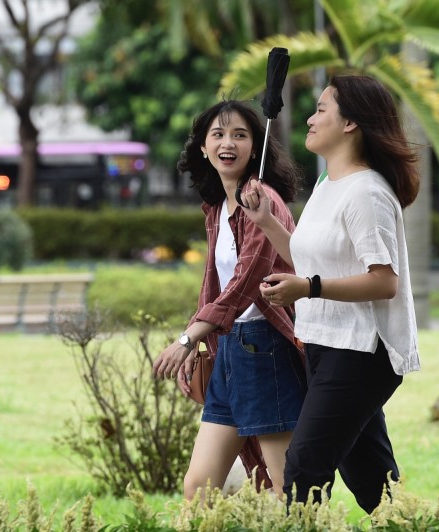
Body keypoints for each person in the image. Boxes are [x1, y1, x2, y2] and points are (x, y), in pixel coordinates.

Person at [239, 74, 421, 513]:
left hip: (363, 352)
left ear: (351, 123)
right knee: (371, 481)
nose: (310, 117)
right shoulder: (327, 186)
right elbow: (311, 261)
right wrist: (266, 222)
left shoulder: (368, 193)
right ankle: (415, 524)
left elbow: (383, 280)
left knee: (303, 471)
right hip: (325, 344)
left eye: (322, 109)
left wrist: (308, 288)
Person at [151, 99, 307, 501]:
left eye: (240, 135)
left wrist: (188, 337)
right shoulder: (218, 208)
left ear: (255, 147)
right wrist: (199, 340)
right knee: (197, 486)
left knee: (283, 488)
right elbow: (214, 287)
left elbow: (247, 281)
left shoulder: (262, 201)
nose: (228, 143)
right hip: (229, 353)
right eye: (218, 134)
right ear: (203, 147)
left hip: (264, 349)